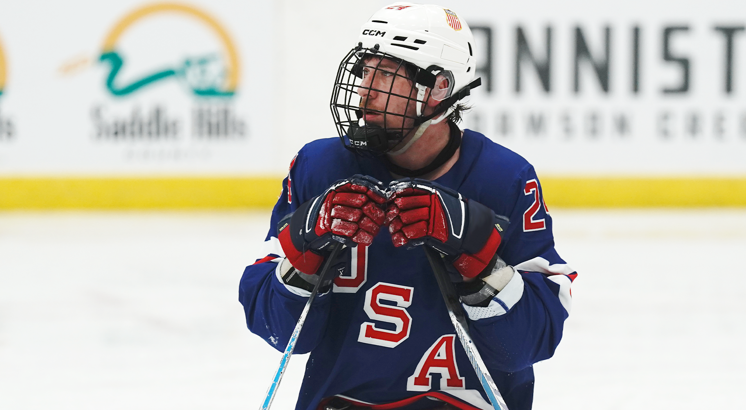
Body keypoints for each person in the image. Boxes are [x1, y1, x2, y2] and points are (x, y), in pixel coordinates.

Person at [239, 3, 576, 409]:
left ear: (438, 88)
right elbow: (276, 329)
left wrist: (480, 261)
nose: (364, 90)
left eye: (385, 75)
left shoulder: (503, 178)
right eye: (365, 71)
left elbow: (528, 344)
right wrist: (305, 247)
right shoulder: (320, 167)